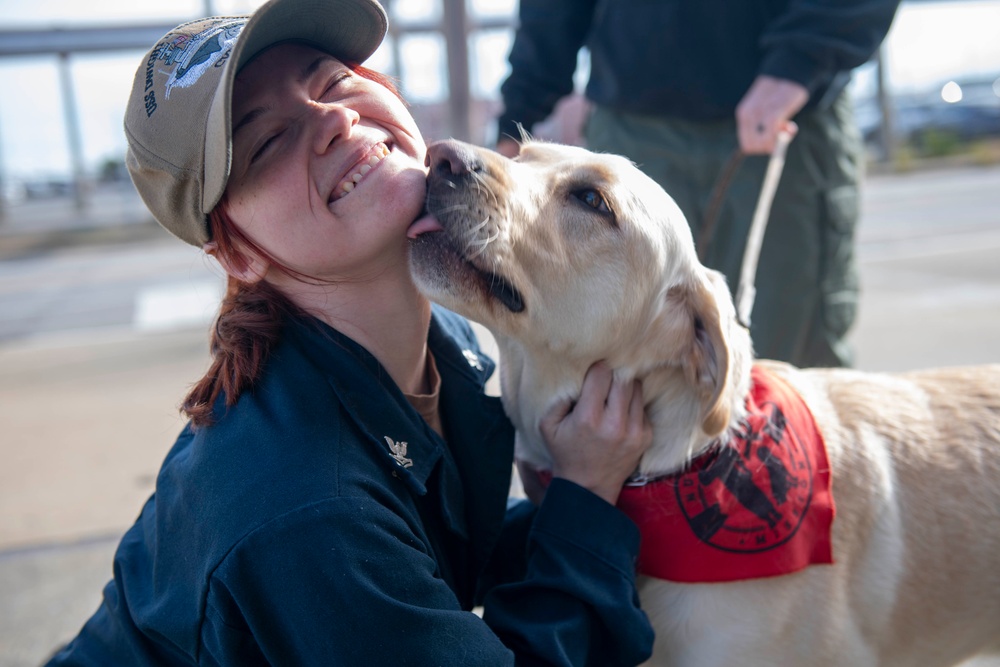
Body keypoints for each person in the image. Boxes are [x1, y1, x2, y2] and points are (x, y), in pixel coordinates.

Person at [45, 0, 656, 664]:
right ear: (240, 254)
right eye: (266, 141)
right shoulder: (308, 507)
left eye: (333, 82)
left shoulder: (450, 339)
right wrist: (585, 500)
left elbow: (431, 545)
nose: (333, 117)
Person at [496, 0, 901, 368]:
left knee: (792, 368)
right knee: (609, 377)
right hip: (632, 135)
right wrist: (520, 109)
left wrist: (802, 59)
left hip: (785, 122)